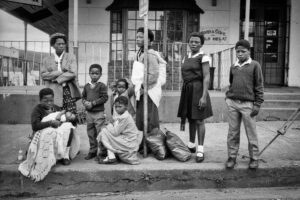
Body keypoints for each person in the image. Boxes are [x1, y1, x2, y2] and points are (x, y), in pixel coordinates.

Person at [18, 88, 80, 182]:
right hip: (42, 132)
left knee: (69, 127)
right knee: (49, 133)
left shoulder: (56, 108)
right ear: (40, 100)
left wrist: (70, 117)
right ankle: (45, 157)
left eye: (51, 100)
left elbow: (62, 118)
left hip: (55, 131)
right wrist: (50, 123)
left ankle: (65, 155)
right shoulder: (37, 110)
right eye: (45, 101)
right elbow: (35, 126)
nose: (49, 103)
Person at [225, 39, 264, 170]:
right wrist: (228, 98)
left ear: (249, 51)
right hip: (233, 103)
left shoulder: (255, 65)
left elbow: (259, 86)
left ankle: (254, 158)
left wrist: (257, 104)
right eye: (238, 51)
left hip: (248, 105)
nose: (240, 54)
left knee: (251, 132)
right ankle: (231, 157)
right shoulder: (233, 66)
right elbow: (232, 82)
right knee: (233, 132)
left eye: (243, 51)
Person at [177, 32, 213, 163]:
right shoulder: (185, 57)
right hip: (187, 90)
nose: (193, 44)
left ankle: (201, 149)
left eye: (197, 42)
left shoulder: (204, 57)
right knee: (190, 117)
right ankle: (191, 145)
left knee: (199, 120)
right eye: (191, 41)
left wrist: (203, 96)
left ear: (201, 44)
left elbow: (207, 77)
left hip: (198, 89)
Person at [131, 27, 167, 135]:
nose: (138, 39)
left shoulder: (150, 54)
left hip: (149, 91)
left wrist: (142, 87)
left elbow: (153, 75)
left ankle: (153, 143)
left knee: (150, 118)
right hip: (141, 90)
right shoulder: (140, 53)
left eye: (141, 37)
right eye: (137, 37)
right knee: (141, 118)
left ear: (149, 40)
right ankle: (143, 144)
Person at [41, 32, 81, 114]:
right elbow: (43, 75)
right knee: (55, 115)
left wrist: (57, 79)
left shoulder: (71, 57)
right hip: (53, 91)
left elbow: (73, 73)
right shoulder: (46, 59)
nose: (61, 46)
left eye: (63, 44)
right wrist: (58, 73)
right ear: (53, 45)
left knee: (70, 115)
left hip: (68, 90)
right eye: (59, 44)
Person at [97, 96, 142, 165]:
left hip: (129, 142)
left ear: (126, 107)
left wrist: (109, 124)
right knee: (105, 131)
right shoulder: (124, 115)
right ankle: (110, 155)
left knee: (104, 132)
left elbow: (115, 132)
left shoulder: (125, 117)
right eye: (116, 107)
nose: (117, 109)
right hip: (127, 140)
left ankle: (111, 157)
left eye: (120, 107)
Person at [82, 64, 108, 160]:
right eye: (92, 73)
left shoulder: (102, 86)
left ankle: (102, 152)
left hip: (99, 113)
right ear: (89, 74)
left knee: (100, 133)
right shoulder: (86, 86)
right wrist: (85, 102)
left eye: (97, 73)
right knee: (91, 133)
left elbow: (105, 98)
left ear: (100, 75)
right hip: (89, 114)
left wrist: (93, 103)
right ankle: (93, 151)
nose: (94, 75)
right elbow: (83, 97)